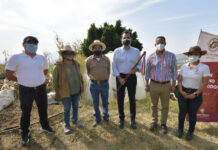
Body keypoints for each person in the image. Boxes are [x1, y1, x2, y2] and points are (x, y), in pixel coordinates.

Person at [5, 36, 55, 145]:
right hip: (25, 89)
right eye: (30, 43)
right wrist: (22, 80)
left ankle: (45, 126)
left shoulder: (41, 58)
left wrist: (38, 79)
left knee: (43, 108)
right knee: (25, 112)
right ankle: (24, 132)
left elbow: (45, 71)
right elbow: (8, 74)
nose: (33, 45)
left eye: (35, 44)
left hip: (41, 88)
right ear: (23, 44)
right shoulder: (16, 57)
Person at [177, 46, 210, 141]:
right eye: (191, 54)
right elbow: (179, 80)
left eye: (196, 54)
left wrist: (195, 94)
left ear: (200, 55)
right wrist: (181, 91)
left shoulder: (204, 67)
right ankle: (180, 129)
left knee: (192, 114)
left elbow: (205, 83)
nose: (193, 56)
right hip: (183, 92)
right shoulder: (184, 66)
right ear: (188, 55)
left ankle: (190, 132)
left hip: (196, 94)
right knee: (182, 113)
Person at [145, 36, 177, 134]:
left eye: (162, 42)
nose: (160, 44)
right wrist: (147, 84)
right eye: (158, 43)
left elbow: (174, 71)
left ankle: (163, 124)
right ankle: (154, 122)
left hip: (166, 85)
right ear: (155, 44)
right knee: (153, 105)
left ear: (165, 44)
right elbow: (147, 72)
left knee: (165, 106)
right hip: (154, 84)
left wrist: (174, 85)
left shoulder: (171, 56)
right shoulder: (150, 57)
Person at [112, 30, 141, 129]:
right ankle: (121, 119)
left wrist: (136, 69)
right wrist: (119, 77)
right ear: (121, 39)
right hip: (120, 77)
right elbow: (114, 65)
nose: (126, 39)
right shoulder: (117, 51)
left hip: (131, 77)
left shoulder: (136, 51)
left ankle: (133, 119)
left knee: (132, 99)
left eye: (128, 37)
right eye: (124, 38)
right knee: (120, 99)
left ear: (131, 39)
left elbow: (141, 65)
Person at [53, 45, 84, 134]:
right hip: (65, 92)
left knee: (75, 107)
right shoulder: (58, 66)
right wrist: (57, 92)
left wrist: (82, 85)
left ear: (73, 54)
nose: (69, 55)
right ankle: (67, 125)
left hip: (76, 90)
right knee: (67, 109)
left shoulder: (76, 64)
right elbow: (55, 81)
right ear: (63, 55)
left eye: (71, 53)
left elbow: (80, 76)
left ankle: (75, 121)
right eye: (67, 53)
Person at [86, 40, 110, 127]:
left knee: (105, 102)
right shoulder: (88, 60)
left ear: (101, 48)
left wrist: (104, 78)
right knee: (95, 102)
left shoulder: (106, 59)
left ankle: (106, 116)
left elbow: (108, 71)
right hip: (94, 84)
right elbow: (88, 72)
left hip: (104, 84)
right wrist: (94, 79)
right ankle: (97, 118)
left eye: (98, 47)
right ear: (92, 49)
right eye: (95, 48)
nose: (97, 49)